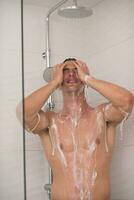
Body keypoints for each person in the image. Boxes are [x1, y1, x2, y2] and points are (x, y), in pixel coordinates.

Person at [16, 58, 133, 200]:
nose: (71, 74)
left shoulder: (103, 116)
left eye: (76, 70)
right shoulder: (49, 122)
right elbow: (23, 112)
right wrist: (54, 83)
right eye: (65, 71)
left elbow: (127, 101)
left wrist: (88, 78)